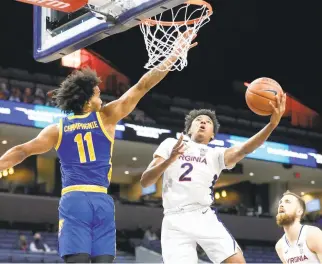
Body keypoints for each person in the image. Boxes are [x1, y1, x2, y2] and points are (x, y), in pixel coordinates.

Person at [0, 30, 197, 263]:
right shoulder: (106, 117)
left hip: (75, 200)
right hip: (101, 201)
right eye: (97, 92)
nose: (101, 95)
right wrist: (173, 54)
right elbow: (143, 85)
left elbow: (21, 150)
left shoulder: (57, 129)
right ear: (86, 98)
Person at [141, 93, 287, 264]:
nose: (203, 122)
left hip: (202, 214)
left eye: (208, 122)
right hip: (174, 219)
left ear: (212, 135)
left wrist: (271, 125)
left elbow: (245, 149)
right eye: (199, 120)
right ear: (189, 129)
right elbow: (146, 181)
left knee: (237, 262)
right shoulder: (171, 143)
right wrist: (170, 160)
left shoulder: (215, 154)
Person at [275, 191, 322, 263]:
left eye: (287, 202)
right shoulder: (280, 246)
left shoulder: (313, 234)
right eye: (280, 202)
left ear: (299, 211)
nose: (281, 205)